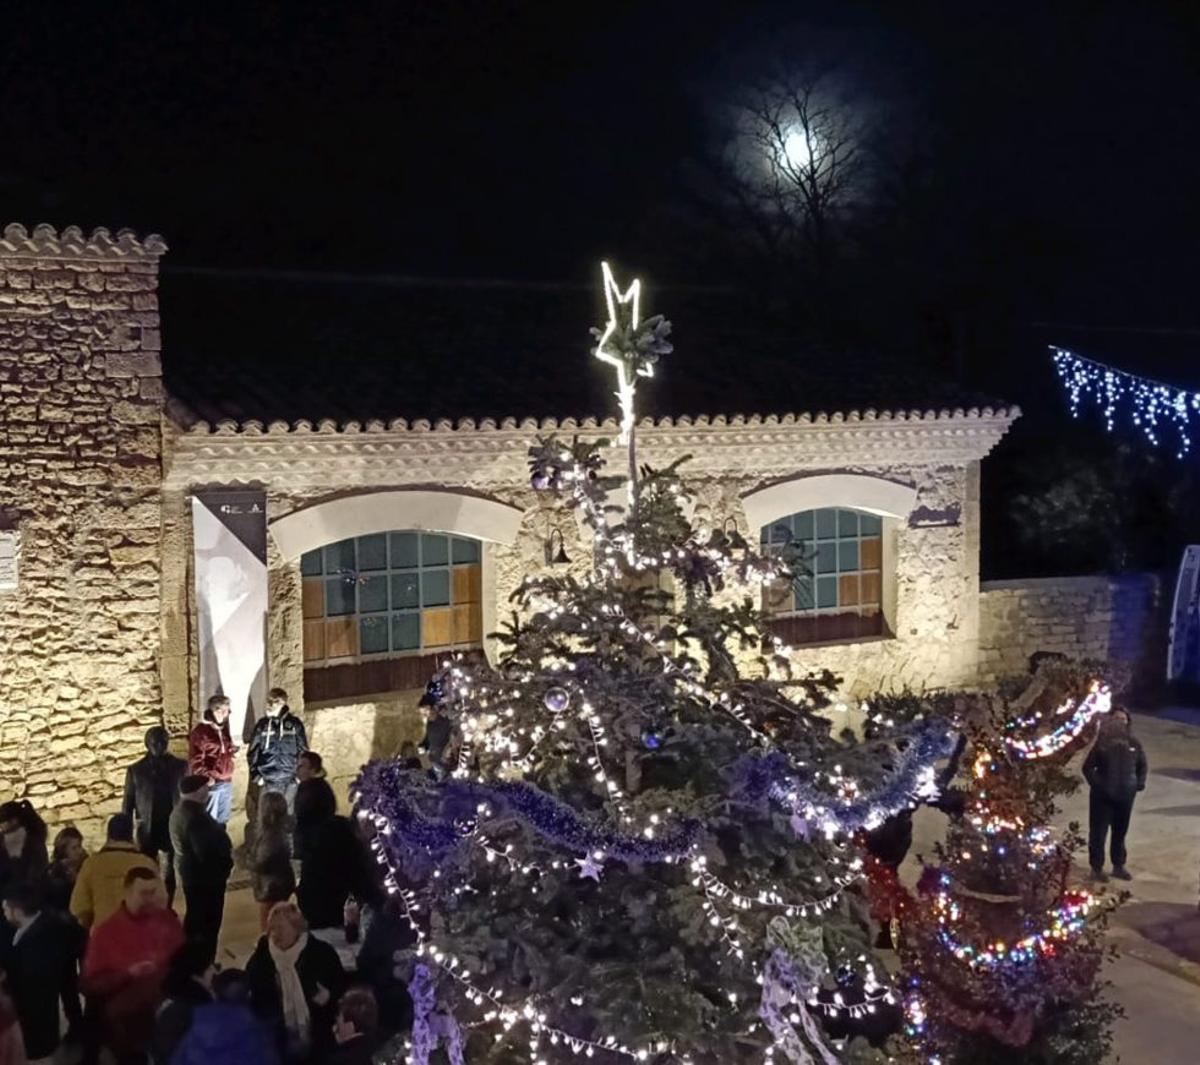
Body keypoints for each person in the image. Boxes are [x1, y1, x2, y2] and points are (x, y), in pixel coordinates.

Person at [81, 868, 183, 1064]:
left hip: (170, 1014)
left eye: (154, 892)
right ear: (127, 893)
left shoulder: (168, 921)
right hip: (129, 1023)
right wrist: (127, 974)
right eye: (144, 893)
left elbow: (184, 959)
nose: (150, 899)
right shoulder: (106, 933)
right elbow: (90, 984)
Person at [246, 902, 345, 1062]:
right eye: (272, 928)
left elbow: (340, 986)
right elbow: (255, 996)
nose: (275, 935)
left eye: (281, 928)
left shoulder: (321, 954)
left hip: (318, 1034)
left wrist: (328, 997)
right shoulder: (261, 959)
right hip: (277, 1038)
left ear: (297, 929)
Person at [0, 881, 77, 1063]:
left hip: (36, 1032)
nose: (3, 913)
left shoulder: (40, 941)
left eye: (5, 909)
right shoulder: (34, 928)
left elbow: (31, 988)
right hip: (36, 1030)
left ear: (17, 911)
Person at [295, 796, 382, 937]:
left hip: (313, 903)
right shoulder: (347, 840)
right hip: (326, 910)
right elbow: (361, 881)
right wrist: (384, 904)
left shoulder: (336, 828)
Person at [170, 776, 233, 965]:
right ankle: (203, 964)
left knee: (196, 920)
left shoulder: (179, 812)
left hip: (191, 876)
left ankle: (196, 962)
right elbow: (206, 853)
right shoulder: (196, 817)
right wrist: (225, 866)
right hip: (206, 881)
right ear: (197, 791)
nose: (208, 790)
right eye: (205, 787)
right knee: (207, 924)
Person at [1083, 707, 1148, 882]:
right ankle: (1096, 868)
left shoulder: (1134, 743)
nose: (1121, 723)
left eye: (1123, 719)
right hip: (1102, 798)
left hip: (1125, 797)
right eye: (1117, 719)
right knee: (1098, 833)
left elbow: (1142, 765)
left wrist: (1138, 784)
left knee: (1120, 833)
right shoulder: (1102, 743)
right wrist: (1099, 786)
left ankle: (1118, 865)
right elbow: (1088, 768)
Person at [124, 725, 186, 900]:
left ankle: (167, 905)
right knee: (146, 869)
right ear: (147, 744)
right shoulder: (136, 770)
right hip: (148, 825)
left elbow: (185, 796)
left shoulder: (179, 766)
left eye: (162, 742)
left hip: (171, 822)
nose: (159, 746)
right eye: (154, 742)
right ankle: (150, 902)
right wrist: (126, 834)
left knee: (170, 869)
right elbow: (128, 803)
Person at [70, 814, 158, 932]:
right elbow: (158, 905)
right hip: (139, 937)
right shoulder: (147, 864)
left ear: (108, 836)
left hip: (104, 939)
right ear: (131, 836)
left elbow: (80, 909)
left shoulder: (91, 865)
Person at [355, 895, 417, 1036]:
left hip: (383, 990)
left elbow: (365, 959)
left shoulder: (384, 921)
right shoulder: (406, 926)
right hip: (390, 991)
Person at [150, 940, 215, 1064]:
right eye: (209, 966)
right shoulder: (189, 1009)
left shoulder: (169, 993)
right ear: (195, 975)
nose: (214, 971)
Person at [248, 689, 308, 812]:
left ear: (282, 703)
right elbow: (253, 752)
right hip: (267, 780)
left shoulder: (294, 725)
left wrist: (298, 776)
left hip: (289, 780)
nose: (269, 704)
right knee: (266, 819)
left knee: (288, 819)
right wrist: (256, 776)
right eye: (268, 700)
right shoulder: (262, 725)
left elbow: (303, 750)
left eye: (273, 701)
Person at [252, 791, 296, 932]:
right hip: (281, 882)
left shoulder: (271, 835)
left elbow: (264, 863)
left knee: (270, 924)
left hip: (271, 886)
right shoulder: (284, 828)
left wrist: (246, 860)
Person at [190, 696, 237, 826]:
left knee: (223, 820)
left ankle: (221, 845)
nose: (225, 714)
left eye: (227, 710)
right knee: (209, 821)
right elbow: (195, 759)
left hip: (226, 781)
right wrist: (207, 777)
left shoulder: (225, 728)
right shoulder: (201, 732)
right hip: (213, 783)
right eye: (222, 710)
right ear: (214, 711)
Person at [292, 753, 336, 865]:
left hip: (314, 847)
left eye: (302, 766)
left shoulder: (316, 789)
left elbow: (305, 816)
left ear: (313, 770)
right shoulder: (307, 786)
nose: (297, 769)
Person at [0, 801, 48, 897]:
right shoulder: (34, 841)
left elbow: (33, 878)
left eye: (2, 821)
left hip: (24, 901)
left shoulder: (32, 844)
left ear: (14, 821)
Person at [328, 986, 380, 1065]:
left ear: (350, 1026)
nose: (334, 1029)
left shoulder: (341, 1060)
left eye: (338, 1023)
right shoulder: (382, 1051)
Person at [45, 826, 87, 913]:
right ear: (63, 850)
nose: (79, 851)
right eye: (74, 848)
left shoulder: (86, 865)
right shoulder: (54, 871)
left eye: (79, 846)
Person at [416, 693, 451, 774]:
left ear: (434, 709)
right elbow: (421, 745)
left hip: (443, 763)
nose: (424, 714)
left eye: (426, 709)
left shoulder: (445, 723)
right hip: (429, 765)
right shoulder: (424, 726)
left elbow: (450, 742)